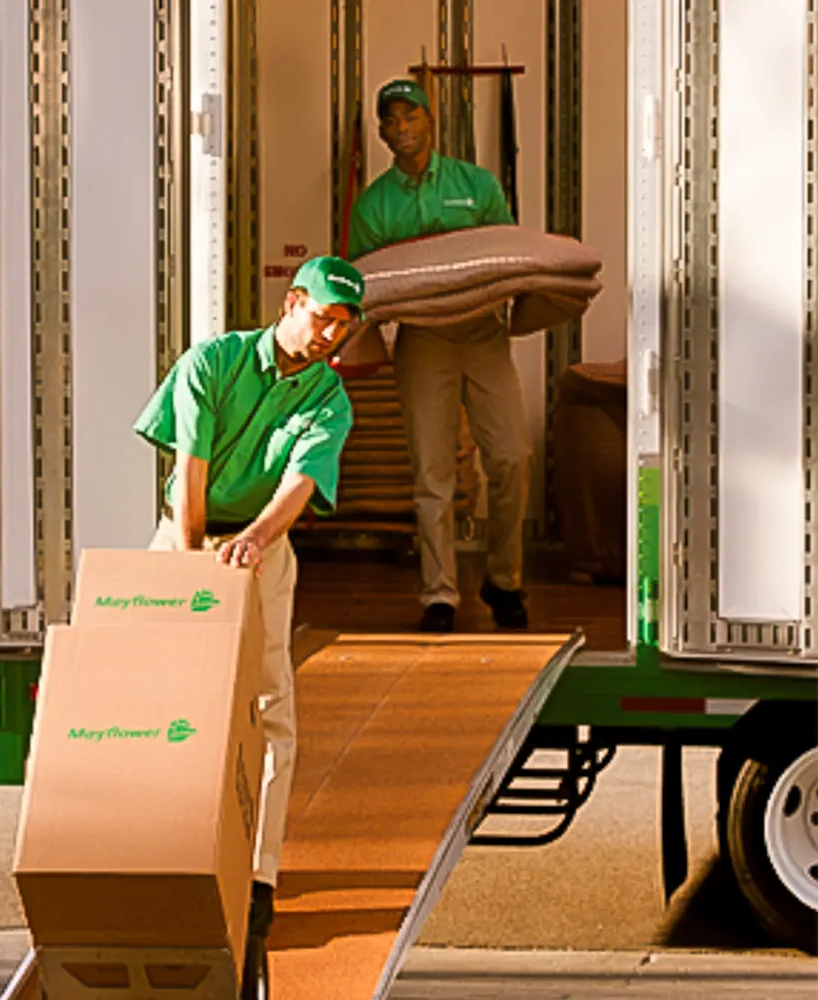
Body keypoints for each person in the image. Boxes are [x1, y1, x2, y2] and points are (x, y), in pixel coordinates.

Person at [131, 255, 365, 979]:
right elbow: (191, 464)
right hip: (187, 536)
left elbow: (299, 484)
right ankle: (149, 853)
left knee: (269, 710)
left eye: (344, 327)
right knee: (158, 700)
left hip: (260, 551)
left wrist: (255, 543)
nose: (331, 335)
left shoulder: (330, 399)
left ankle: (257, 879)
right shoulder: (214, 361)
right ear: (292, 302)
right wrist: (197, 566)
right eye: (323, 317)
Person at [347, 78, 532, 633]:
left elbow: (506, 254)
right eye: (391, 120)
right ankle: (440, 595)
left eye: (411, 117)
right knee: (433, 473)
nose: (402, 128)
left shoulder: (475, 186)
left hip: (482, 334)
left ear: (430, 121)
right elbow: (367, 284)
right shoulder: (374, 205)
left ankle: (504, 581)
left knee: (512, 458)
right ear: (381, 132)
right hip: (423, 339)